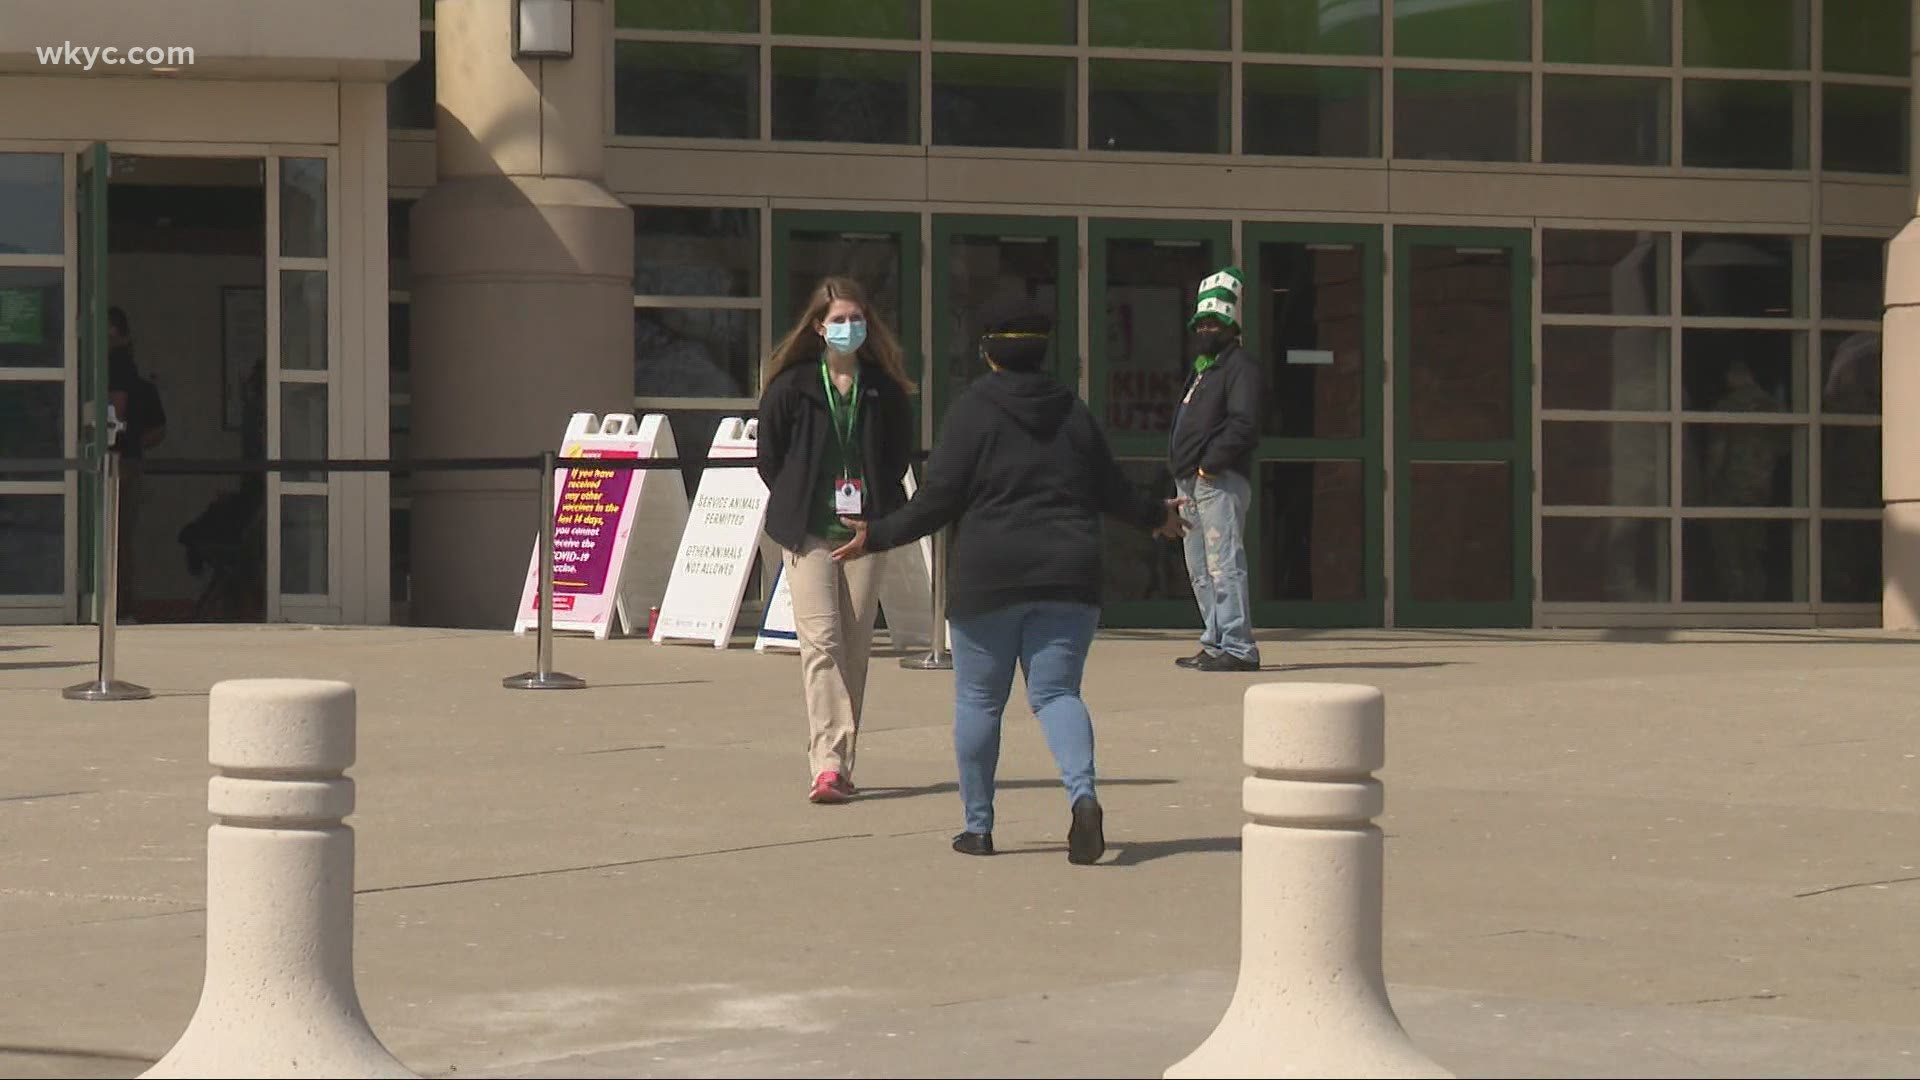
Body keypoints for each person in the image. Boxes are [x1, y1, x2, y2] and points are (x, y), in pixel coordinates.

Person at [831, 299, 1186, 863]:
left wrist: (875, 535)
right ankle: (1083, 796)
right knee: (1057, 694)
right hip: (1068, 577)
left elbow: (937, 500)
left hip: (988, 578)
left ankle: (979, 828)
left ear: (989, 353)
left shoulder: (972, 411)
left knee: (979, 700)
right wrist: (1157, 517)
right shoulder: (1072, 410)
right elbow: (1112, 488)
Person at [755, 276, 917, 805]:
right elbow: (770, 458)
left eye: (857, 319)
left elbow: (896, 457)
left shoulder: (883, 388)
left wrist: (876, 519)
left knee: (852, 647)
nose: (849, 328)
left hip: (865, 531)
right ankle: (826, 765)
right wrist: (799, 498)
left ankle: (842, 762)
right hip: (807, 533)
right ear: (819, 327)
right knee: (820, 644)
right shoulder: (793, 387)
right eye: (839, 320)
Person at [1168, 268, 1262, 673]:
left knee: (1223, 563)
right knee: (1200, 568)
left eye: (1214, 323)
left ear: (1231, 326)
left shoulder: (1239, 366)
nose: (1206, 330)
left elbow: (1244, 422)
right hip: (1190, 481)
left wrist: (1209, 465)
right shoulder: (1205, 367)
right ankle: (1215, 639)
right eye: (1201, 323)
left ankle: (1239, 647)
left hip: (1216, 480)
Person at [105, 307, 165, 619]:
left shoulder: (114, 366)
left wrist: (117, 444)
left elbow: (116, 412)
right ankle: (122, 608)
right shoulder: (137, 378)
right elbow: (157, 432)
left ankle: (116, 609)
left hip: (114, 465)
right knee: (121, 540)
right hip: (129, 462)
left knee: (112, 540)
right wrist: (135, 444)